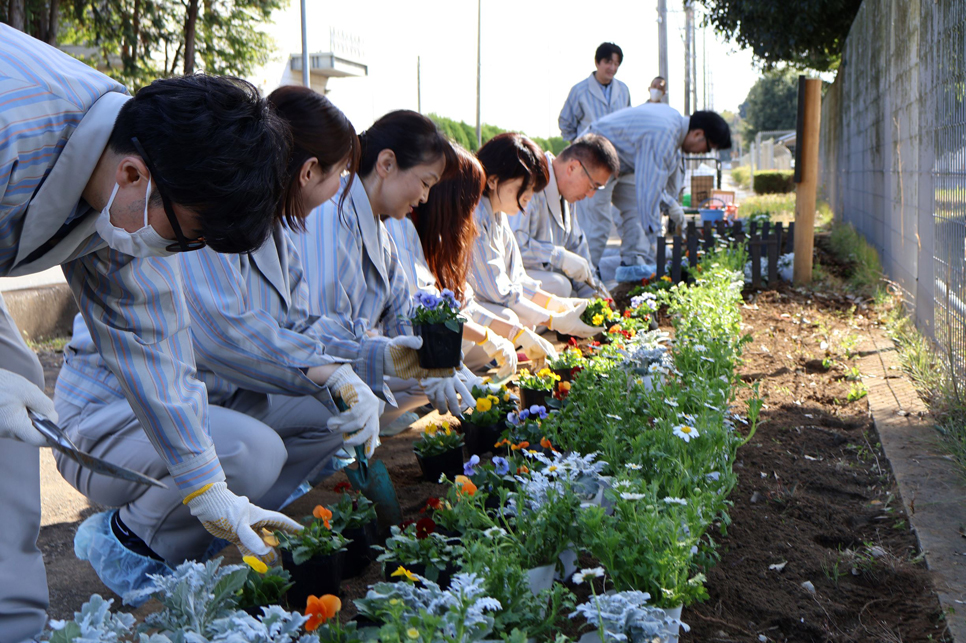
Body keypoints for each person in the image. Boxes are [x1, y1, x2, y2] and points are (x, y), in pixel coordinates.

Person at [0, 26, 295, 642]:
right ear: (135, 175)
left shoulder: (116, 190)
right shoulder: (13, 124)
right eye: (184, 235)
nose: (177, 252)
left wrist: (206, 485)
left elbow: (150, 341)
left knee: (14, 384)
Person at [55, 87, 381, 600]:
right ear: (308, 169)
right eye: (339, 173)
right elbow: (216, 332)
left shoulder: (262, 226)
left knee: (327, 414)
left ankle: (220, 530)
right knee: (253, 451)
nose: (342, 188)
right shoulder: (195, 209)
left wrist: (359, 366)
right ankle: (137, 541)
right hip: (110, 415)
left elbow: (294, 324)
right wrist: (328, 371)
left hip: (196, 399)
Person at [294, 110, 474, 432]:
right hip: (306, 371)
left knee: (425, 372)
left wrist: (444, 364)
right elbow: (316, 332)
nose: (424, 197)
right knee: (370, 398)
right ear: (387, 164)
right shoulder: (331, 215)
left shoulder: (382, 234)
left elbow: (403, 318)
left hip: (343, 361)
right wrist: (379, 345)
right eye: (424, 183)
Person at [386, 144, 558, 380]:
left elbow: (463, 301)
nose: (473, 211)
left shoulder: (440, 233)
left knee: (501, 323)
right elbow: (430, 313)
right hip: (389, 348)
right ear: (449, 196)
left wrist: (516, 333)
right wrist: (488, 339)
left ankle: (453, 379)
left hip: (423, 334)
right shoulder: (404, 227)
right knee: (441, 350)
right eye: (469, 202)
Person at [468, 133, 602, 339]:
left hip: (490, 300)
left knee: (523, 319)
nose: (530, 196)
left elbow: (518, 278)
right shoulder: (476, 215)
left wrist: (557, 305)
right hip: (467, 309)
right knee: (512, 320)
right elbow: (499, 291)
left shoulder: (499, 215)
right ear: (494, 180)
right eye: (527, 187)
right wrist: (552, 319)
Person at [582, 105, 732, 279]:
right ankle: (582, 284)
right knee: (597, 225)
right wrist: (658, 244)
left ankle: (633, 269)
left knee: (637, 214)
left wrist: (670, 204)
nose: (701, 153)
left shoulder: (672, 130)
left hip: (621, 164)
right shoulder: (664, 135)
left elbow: (651, 185)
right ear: (698, 134)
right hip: (592, 155)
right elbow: (648, 194)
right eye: (706, 149)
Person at [508, 133, 620, 298]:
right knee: (560, 287)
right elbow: (513, 245)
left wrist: (603, 299)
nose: (591, 195)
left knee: (574, 294)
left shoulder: (567, 198)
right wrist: (558, 257)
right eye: (592, 186)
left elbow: (579, 253)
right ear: (573, 167)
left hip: (533, 283)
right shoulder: (531, 182)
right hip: (505, 281)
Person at [558, 42, 631, 143]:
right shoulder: (579, 90)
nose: (612, 68)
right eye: (608, 62)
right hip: (588, 153)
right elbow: (565, 122)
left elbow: (629, 122)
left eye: (616, 64)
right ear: (597, 62)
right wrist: (577, 147)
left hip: (618, 153)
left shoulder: (623, 90)